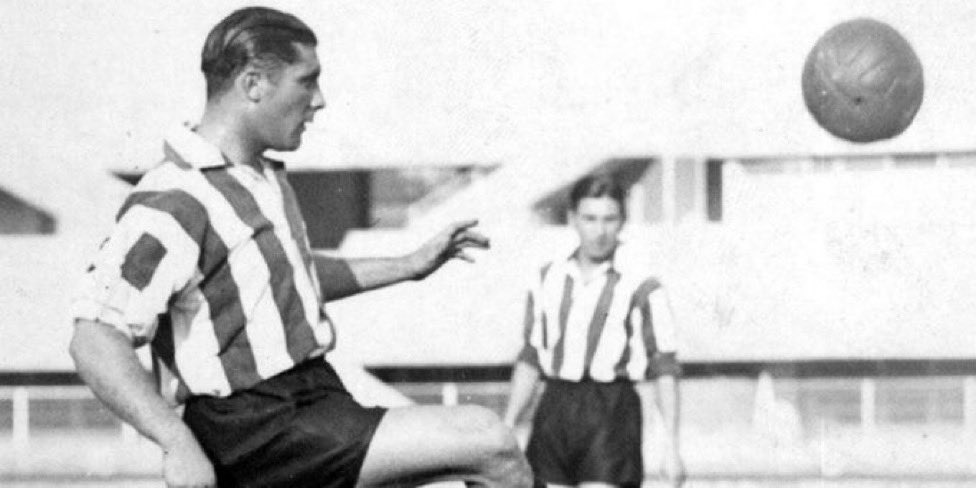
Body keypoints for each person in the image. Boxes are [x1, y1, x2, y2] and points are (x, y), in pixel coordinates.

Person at [69, 7, 535, 488]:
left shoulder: (259, 177)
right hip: (251, 427)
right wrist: (176, 442)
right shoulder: (174, 198)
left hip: (312, 402)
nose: (320, 100)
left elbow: (287, 278)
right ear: (253, 84)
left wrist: (408, 265)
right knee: (486, 440)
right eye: (307, 81)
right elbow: (94, 337)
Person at [503, 174, 686, 488]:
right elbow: (531, 357)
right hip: (554, 406)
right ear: (572, 218)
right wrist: (508, 424)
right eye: (589, 219)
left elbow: (664, 366)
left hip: (612, 410)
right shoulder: (547, 277)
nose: (599, 231)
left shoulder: (642, 284)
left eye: (609, 219)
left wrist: (672, 446)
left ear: (622, 221)